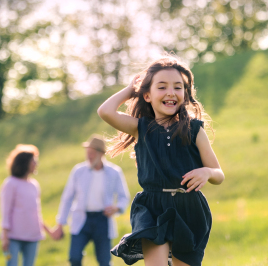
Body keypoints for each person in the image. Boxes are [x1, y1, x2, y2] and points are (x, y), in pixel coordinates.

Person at [97, 55, 225, 266]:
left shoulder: (194, 130)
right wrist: (131, 89)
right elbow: (105, 111)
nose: (170, 93)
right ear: (147, 95)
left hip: (189, 207)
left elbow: (218, 175)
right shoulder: (140, 128)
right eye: (162, 87)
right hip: (152, 207)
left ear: (184, 93)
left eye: (178, 87)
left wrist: (207, 172)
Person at [52, 134, 130, 266]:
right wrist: (60, 224)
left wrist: (116, 208)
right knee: (74, 257)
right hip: (82, 219)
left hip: (103, 220)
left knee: (104, 261)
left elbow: (124, 196)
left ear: (101, 154)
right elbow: (67, 198)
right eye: (88, 153)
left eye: (92, 153)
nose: (89, 156)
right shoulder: (78, 171)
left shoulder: (114, 172)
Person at [0, 144, 52, 266]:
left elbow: (36, 213)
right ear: (24, 163)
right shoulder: (10, 184)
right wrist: (5, 236)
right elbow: (5, 212)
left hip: (33, 236)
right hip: (14, 236)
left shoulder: (34, 185)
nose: (36, 164)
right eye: (34, 161)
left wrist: (49, 231)